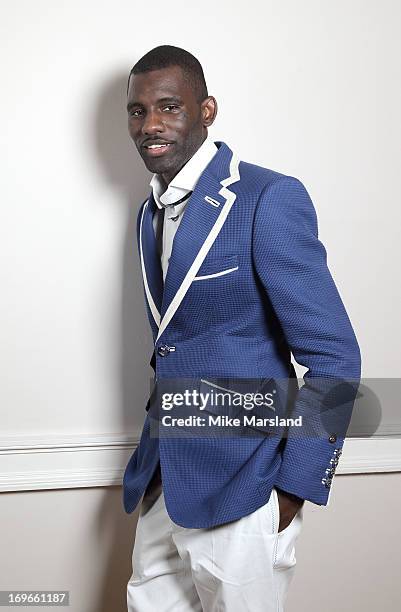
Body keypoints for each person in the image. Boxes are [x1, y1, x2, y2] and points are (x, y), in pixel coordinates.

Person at [123, 45, 361, 611]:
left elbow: (336, 358)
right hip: (163, 484)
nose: (150, 125)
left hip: (245, 490)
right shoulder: (148, 212)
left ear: (206, 110)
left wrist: (290, 492)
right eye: (137, 111)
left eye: (169, 107)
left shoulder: (266, 198)